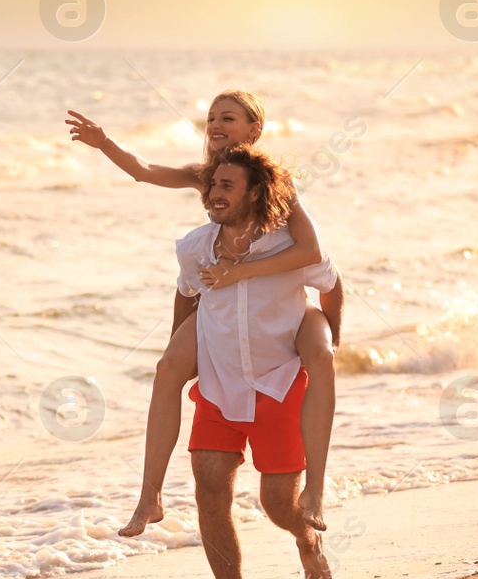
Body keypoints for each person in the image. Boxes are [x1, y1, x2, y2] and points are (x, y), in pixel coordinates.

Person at [64, 92, 338, 532]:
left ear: (254, 129)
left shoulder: (274, 180)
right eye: (211, 117)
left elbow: (311, 253)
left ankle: (316, 492)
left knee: (322, 358)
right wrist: (105, 143)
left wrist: (239, 272)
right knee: (168, 367)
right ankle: (149, 496)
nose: (215, 124)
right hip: (223, 301)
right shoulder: (205, 174)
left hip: (281, 300)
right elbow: (144, 171)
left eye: (228, 117)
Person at [172, 146, 344, 579]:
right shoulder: (194, 247)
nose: (214, 193)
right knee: (209, 491)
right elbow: (186, 296)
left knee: (277, 505)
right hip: (219, 386)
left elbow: (331, 282)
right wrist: (178, 359)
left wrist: (329, 339)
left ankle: (307, 542)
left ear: (254, 194)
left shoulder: (286, 246)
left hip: (279, 384)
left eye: (227, 185)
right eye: (212, 185)